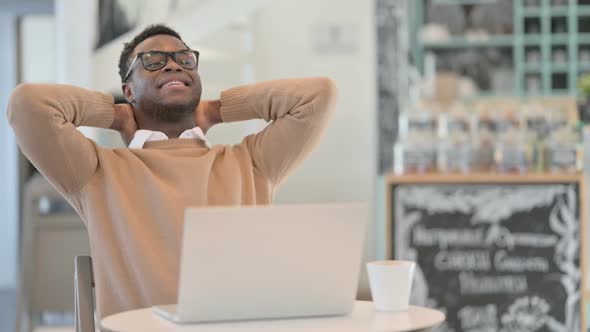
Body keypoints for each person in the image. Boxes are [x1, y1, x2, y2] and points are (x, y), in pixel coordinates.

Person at [7, 24, 337, 319]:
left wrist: (216, 110)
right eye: (152, 60)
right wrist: (116, 115)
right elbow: (28, 105)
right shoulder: (96, 171)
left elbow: (318, 96)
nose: (173, 63)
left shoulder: (251, 162)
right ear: (129, 89)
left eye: (184, 59)